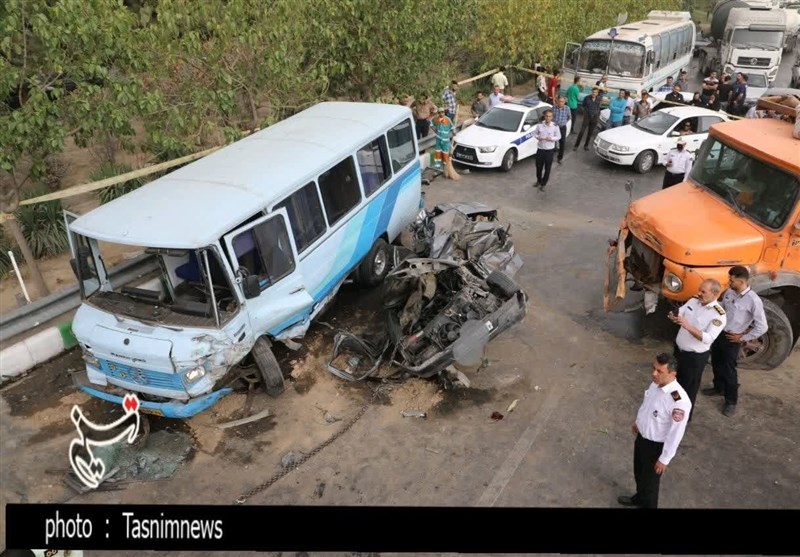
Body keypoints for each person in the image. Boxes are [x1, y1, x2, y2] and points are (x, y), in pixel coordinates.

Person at [617, 353, 691, 509]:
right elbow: (647, 406)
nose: (654, 373)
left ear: (673, 374)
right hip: (642, 438)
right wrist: (638, 422)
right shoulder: (655, 384)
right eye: (654, 368)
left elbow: (676, 433)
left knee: (650, 485)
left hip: (656, 447)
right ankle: (639, 498)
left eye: (659, 371)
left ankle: (647, 504)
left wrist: (664, 459)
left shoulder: (679, 401)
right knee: (639, 473)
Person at [705, 266, 768, 417]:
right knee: (716, 361)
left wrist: (742, 337)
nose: (729, 282)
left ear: (740, 281)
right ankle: (718, 387)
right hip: (719, 332)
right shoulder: (729, 293)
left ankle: (731, 401)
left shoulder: (754, 300)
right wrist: (712, 303)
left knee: (729, 370)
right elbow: (724, 308)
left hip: (733, 338)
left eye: (731, 280)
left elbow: (762, 326)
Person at [668, 279, 726, 417]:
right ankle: (672, 408)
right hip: (679, 352)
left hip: (694, 358)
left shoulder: (718, 315)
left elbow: (708, 338)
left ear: (715, 294)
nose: (699, 293)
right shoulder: (694, 301)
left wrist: (687, 326)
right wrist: (673, 317)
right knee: (673, 383)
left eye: (703, 292)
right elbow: (681, 313)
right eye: (699, 290)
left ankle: (682, 418)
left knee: (688, 388)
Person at [532, 109, 561, 191]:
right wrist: (538, 137)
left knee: (547, 168)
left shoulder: (555, 126)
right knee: (538, 166)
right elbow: (535, 134)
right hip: (540, 149)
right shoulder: (540, 125)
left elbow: (559, 136)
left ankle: (544, 183)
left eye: (549, 116)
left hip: (549, 150)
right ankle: (538, 180)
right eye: (546, 116)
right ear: (544, 117)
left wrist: (551, 138)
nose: (548, 118)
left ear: (552, 117)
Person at [550, 96, 571, 164]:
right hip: (554, 127)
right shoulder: (554, 108)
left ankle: (560, 158)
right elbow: (551, 116)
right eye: (559, 101)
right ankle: (550, 157)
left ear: (564, 102)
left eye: (562, 101)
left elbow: (569, 117)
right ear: (557, 101)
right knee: (552, 141)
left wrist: (563, 122)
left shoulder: (567, 109)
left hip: (562, 127)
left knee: (562, 142)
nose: (560, 103)